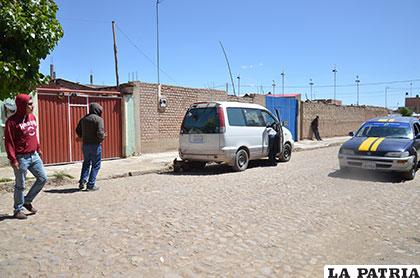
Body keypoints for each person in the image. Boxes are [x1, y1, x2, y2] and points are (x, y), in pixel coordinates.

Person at [4, 94, 48, 220]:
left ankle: (27, 201)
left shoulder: (32, 117)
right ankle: (17, 209)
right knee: (20, 185)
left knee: (42, 178)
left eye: (32, 103)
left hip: (34, 155)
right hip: (21, 158)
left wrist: (38, 148)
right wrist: (13, 159)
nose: (32, 106)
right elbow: (9, 142)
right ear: (21, 105)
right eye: (29, 104)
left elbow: (33, 135)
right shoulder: (11, 122)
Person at [76, 103, 105, 191]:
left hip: (85, 145)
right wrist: (103, 137)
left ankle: (82, 180)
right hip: (95, 145)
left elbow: (77, 130)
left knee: (86, 163)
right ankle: (91, 184)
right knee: (96, 165)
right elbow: (100, 133)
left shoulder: (84, 119)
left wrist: (82, 136)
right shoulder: (99, 119)